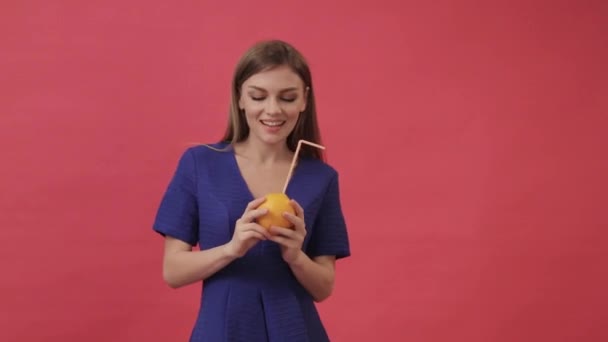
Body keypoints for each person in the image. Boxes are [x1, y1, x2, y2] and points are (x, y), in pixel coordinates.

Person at [152, 39, 351, 342]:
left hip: (296, 331)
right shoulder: (200, 163)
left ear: (304, 100)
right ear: (240, 98)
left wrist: (295, 255)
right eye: (258, 96)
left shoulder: (321, 177)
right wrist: (232, 249)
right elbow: (173, 271)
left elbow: (323, 288)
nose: (273, 110)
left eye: (287, 97)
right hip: (222, 331)